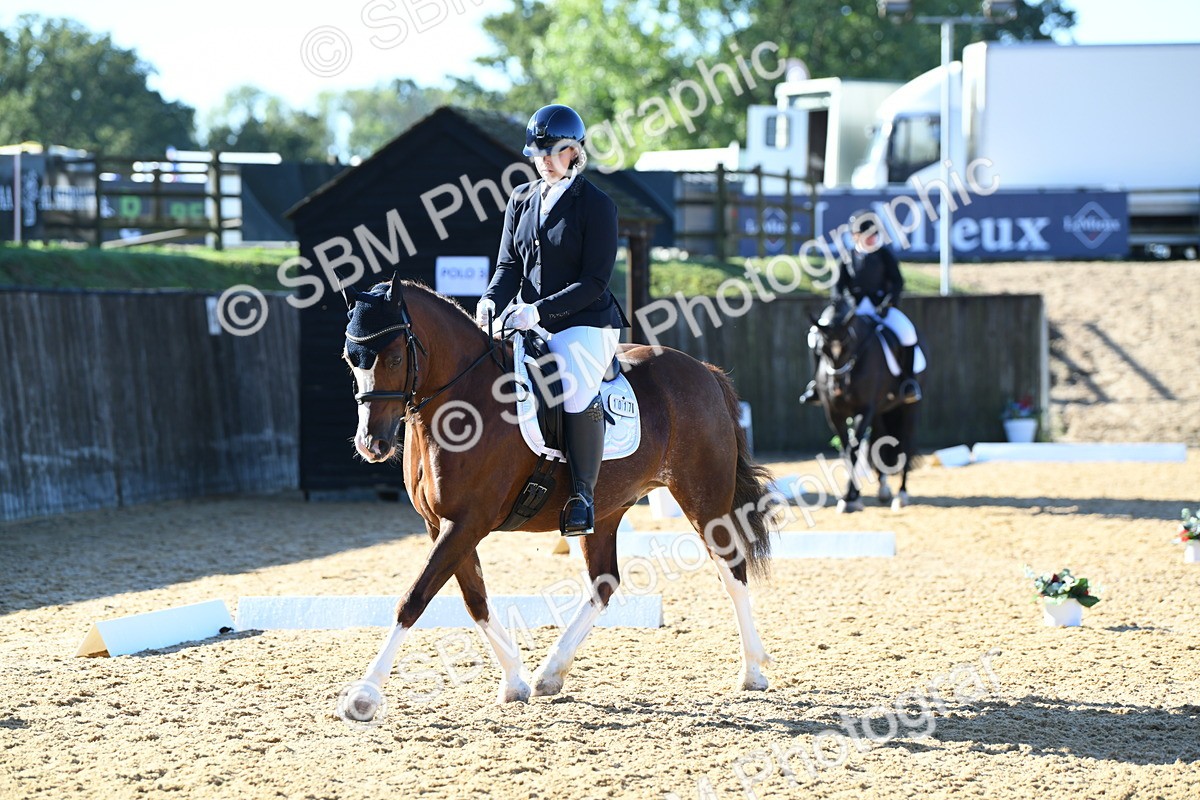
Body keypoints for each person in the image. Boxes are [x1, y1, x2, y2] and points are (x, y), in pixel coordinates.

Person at [474, 104, 628, 536]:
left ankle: (582, 496)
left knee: (575, 388)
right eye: (537, 153)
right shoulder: (521, 201)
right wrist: (490, 300)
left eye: (553, 152)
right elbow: (508, 268)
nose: (543, 160)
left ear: (575, 152)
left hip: (585, 323)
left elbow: (595, 281)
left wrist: (538, 311)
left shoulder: (597, 205)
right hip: (525, 317)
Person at [799, 211, 923, 405]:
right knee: (815, 334)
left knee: (907, 333)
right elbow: (838, 286)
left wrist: (887, 304)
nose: (872, 238)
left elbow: (897, 282)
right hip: (851, 310)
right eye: (867, 235)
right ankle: (816, 383)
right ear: (855, 236)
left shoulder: (884, 255)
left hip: (880, 308)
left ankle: (907, 383)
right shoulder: (848, 257)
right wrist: (844, 302)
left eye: (874, 234)